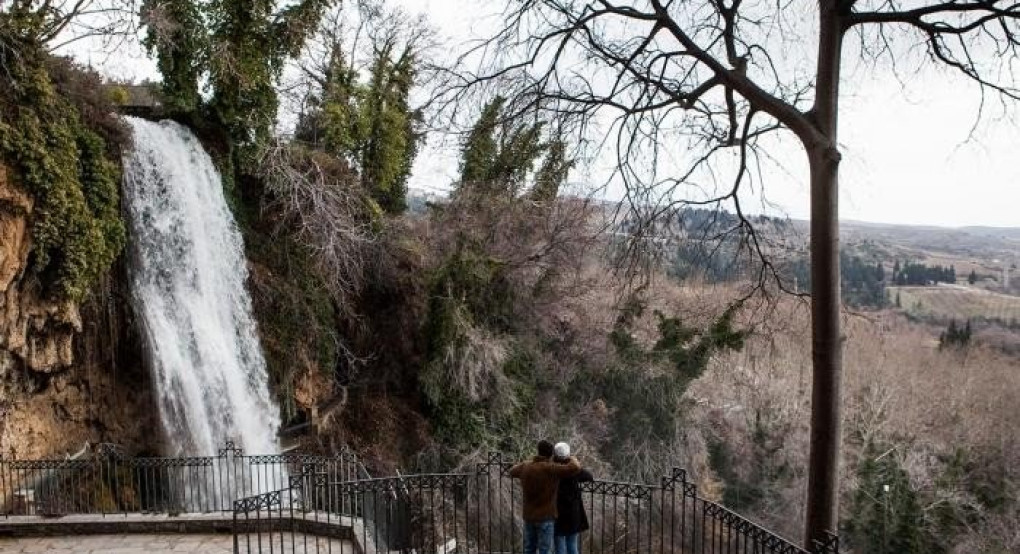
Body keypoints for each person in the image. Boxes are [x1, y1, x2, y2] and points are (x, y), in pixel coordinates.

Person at [509, 440, 582, 554]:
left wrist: (530, 461)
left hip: (529, 515)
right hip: (546, 516)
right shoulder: (551, 468)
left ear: (538, 451)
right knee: (545, 550)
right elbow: (575, 467)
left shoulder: (526, 466)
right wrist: (570, 456)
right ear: (551, 454)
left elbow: (512, 471)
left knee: (529, 548)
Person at [552, 442, 594, 554]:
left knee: (559, 545)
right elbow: (589, 477)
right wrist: (574, 461)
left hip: (556, 512)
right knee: (572, 545)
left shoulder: (551, 468)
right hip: (572, 513)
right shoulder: (573, 470)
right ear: (568, 454)